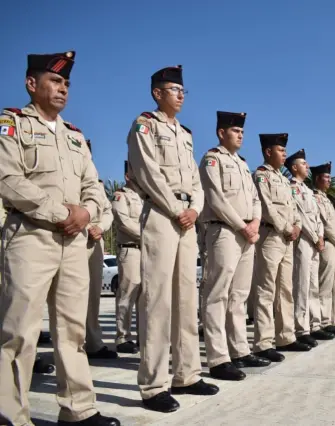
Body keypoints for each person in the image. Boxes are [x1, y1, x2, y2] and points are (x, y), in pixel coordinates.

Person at [0, 51, 119, 425]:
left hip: (73, 244)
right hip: (31, 237)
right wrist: (62, 213)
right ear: (31, 84)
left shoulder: (74, 136)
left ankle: (78, 409)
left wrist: (85, 213)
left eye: (66, 83)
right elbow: (9, 179)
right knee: (19, 331)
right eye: (55, 81)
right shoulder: (12, 124)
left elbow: (93, 186)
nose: (63, 88)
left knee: (72, 330)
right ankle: (11, 415)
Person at [127, 65, 218, 413]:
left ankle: (187, 374)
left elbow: (196, 182)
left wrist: (194, 208)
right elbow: (147, 172)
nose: (181, 95)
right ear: (157, 93)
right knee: (157, 301)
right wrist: (175, 208)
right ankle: (153, 385)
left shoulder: (185, 133)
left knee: (184, 298)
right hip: (162, 216)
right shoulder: (144, 126)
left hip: (186, 219)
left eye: (183, 90)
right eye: (174, 89)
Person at [199, 111, 269, 382]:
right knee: (217, 294)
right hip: (224, 231)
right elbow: (215, 198)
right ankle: (218, 358)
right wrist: (242, 225)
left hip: (246, 234)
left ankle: (239, 350)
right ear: (221, 133)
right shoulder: (212, 159)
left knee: (239, 295)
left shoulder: (241, 163)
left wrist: (254, 222)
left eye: (242, 131)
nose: (240, 134)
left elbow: (255, 198)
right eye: (235, 130)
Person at [253, 133, 310, 362]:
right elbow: (267, 207)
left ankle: (285, 336)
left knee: (285, 289)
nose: (284, 154)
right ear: (268, 152)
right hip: (271, 236)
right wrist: (288, 227)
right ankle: (263, 342)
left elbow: (293, 208)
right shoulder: (261, 175)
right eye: (280, 150)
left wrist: (296, 226)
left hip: (286, 238)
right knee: (266, 291)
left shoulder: (284, 180)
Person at [286, 149, 335, 346]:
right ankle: (301, 327)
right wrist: (316, 237)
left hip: (315, 240)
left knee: (313, 285)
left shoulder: (307, 190)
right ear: (294, 167)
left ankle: (315, 325)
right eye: (303, 164)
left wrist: (321, 235)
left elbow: (317, 218)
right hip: (305, 241)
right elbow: (302, 216)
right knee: (302, 285)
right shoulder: (294, 188)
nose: (307, 167)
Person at [84, 143, 117, 359]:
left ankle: (94, 342)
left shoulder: (95, 184)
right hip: (72, 236)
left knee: (93, 295)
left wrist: (101, 227)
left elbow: (107, 211)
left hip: (94, 242)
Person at [311, 162, 335, 334]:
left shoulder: (327, 199)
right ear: (317, 179)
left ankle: (334, 318)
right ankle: (323, 321)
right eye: (326, 177)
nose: (328, 181)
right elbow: (324, 224)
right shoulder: (315, 197)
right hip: (327, 242)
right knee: (324, 285)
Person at [112, 160, 143, 353]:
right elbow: (123, 222)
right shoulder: (120, 196)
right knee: (127, 294)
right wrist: (149, 235)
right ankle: (123, 337)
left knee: (145, 296)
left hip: (147, 250)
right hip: (130, 249)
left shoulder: (146, 198)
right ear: (127, 175)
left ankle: (143, 336)